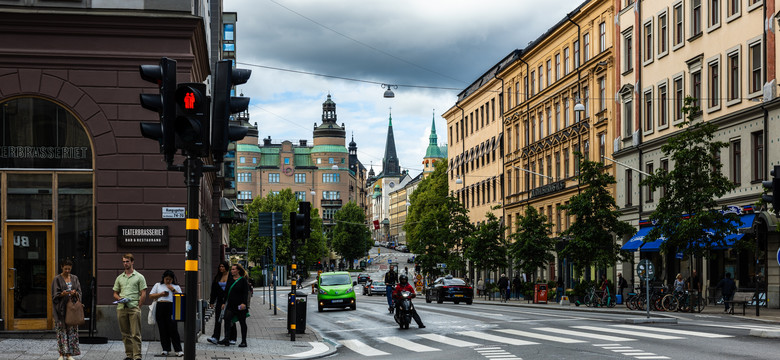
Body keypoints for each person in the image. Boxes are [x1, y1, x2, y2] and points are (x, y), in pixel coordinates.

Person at [113, 253, 147, 360]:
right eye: (123, 261)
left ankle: (137, 356)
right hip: (121, 308)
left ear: (132, 262)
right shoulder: (119, 278)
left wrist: (138, 307)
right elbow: (115, 293)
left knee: (135, 333)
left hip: (133, 308)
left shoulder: (139, 277)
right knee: (125, 334)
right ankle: (129, 355)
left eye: (127, 261)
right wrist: (119, 298)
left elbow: (143, 293)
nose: (125, 263)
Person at [52, 259, 82, 360]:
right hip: (61, 309)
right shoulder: (57, 279)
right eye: (65, 269)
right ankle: (61, 354)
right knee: (61, 331)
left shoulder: (75, 278)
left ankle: (69, 355)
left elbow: (79, 291)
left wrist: (75, 293)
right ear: (61, 267)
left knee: (71, 332)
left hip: (72, 309)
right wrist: (62, 294)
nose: (68, 271)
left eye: (69, 269)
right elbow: (54, 296)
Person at [149, 270, 183, 357]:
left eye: (170, 279)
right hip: (160, 306)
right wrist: (160, 294)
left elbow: (181, 298)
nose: (168, 281)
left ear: (173, 279)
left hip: (171, 307)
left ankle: (178, 349)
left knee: (173, 329)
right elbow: (151, 295)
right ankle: (165, 349)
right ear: (163, 278)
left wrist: (173, 289)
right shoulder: (158, 285)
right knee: (162, 329)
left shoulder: (176, 286)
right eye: (166, 279)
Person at [220, 264, 249, 347]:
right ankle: (226, 339)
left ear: (238, 270)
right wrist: (223, 302)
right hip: (231, 305)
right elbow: (226, 292)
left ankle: (244, 341)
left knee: (242, 323)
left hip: (240, 306)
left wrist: (244, 303)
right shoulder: (230, 279)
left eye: (233, 269)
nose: (231, 271)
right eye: (231, 269)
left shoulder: (243, 280)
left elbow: (245, 293)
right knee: (227, 319)